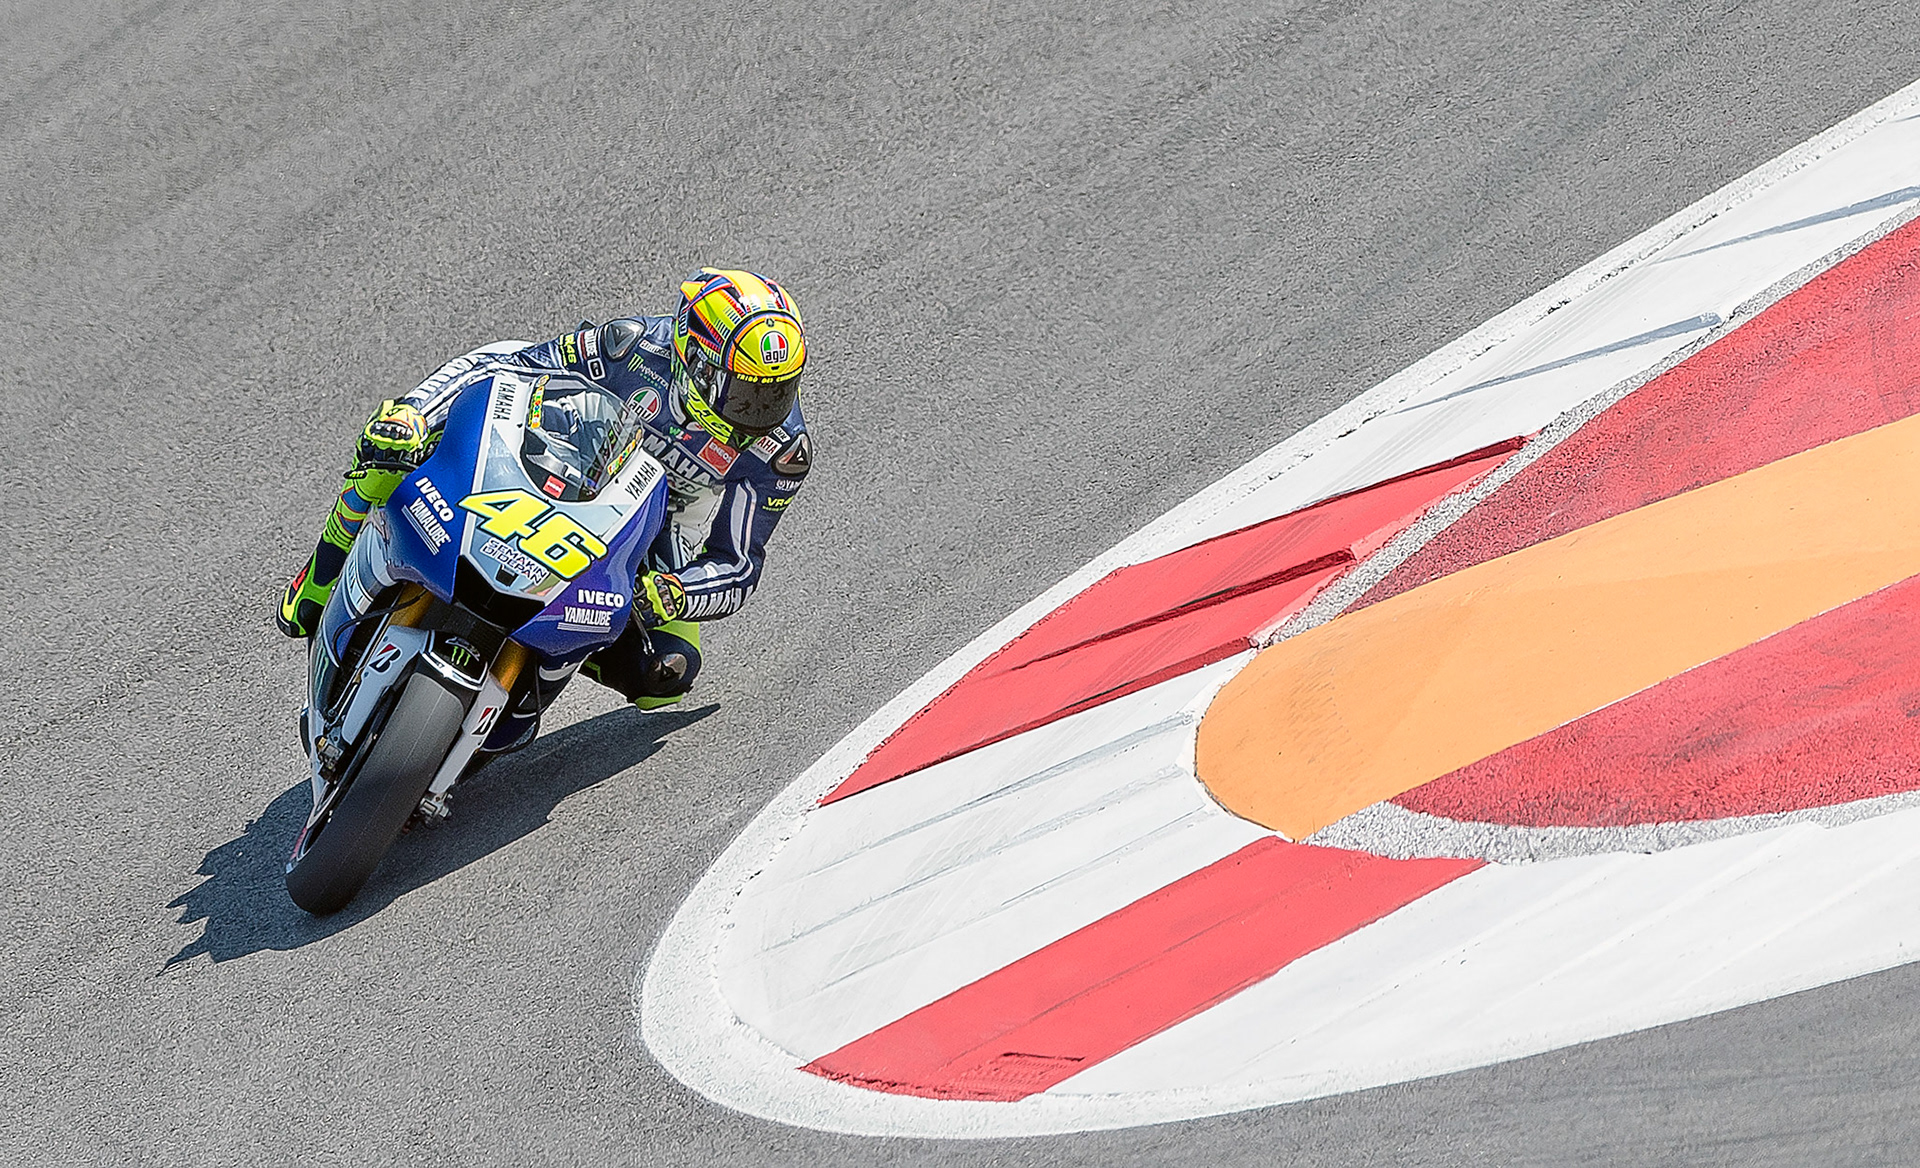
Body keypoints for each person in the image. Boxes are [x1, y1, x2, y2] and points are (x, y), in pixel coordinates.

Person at [277, 267, 813, 712]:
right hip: (557, 464)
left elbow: (738, 562)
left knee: (667, 670)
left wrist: (676, 591)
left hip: (652, 536)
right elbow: (511, 364)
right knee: (391, 450)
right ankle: (323, 575)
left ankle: (524, 683)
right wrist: (417, 413)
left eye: (778, 393)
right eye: (748, 395)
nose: (764, 413)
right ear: (697, 360)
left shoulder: (781, 451)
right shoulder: (627, 346)